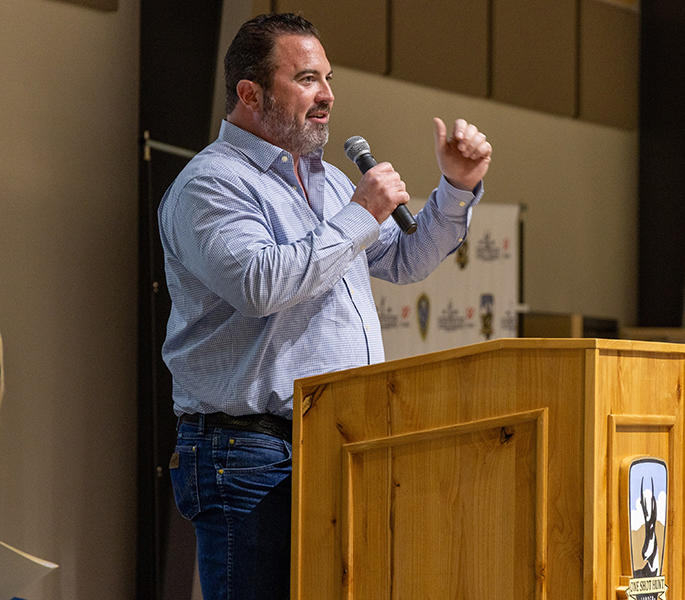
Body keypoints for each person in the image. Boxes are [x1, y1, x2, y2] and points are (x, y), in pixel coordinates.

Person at [158, 13, 491, 600]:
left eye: (328, 79)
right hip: (250, 451)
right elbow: (258, 284)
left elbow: (406, 259)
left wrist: (457, 187)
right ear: (250, 94)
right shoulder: (212, 183)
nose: (328, 96)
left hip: (339, 440)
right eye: (307, 79)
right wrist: (361, 214)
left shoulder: (333, 183)